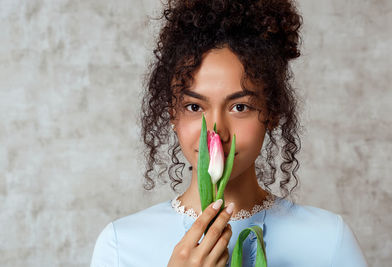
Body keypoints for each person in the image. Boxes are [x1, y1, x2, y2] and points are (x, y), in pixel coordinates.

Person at [90, 0, 368, 266]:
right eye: (194, 106)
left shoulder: (328, 240)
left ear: (271, 113)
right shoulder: (120, 245)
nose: (215, 131)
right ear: (172, 114)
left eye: (239, 106)